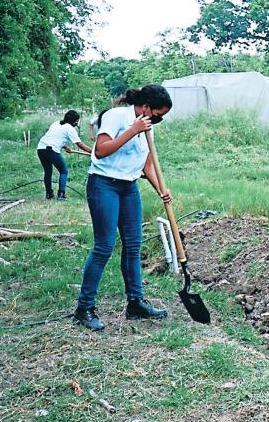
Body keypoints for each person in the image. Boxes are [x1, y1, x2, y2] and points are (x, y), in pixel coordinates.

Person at [73, 85, 174, 332]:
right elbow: (101, 150)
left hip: (129, 188)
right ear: (146, 107)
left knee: (133, 245)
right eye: (157, 115)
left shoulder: (146, 127)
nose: (158, 120)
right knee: (104, 246)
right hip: (103, 184)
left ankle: (135, 303)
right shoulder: (117, 116)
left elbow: (147, 164)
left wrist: (160, 187)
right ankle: (84, 308)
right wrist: (133, 130)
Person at [36, 110, 93, 201]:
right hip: (52, 150)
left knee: (48, 172)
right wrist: (92, 152)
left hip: (41, 148)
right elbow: (79, 144)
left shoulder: (56, 123)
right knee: (64, 170)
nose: (77, 123)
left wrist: (65, 146)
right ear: (74, 121)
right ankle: (61, 195)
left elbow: (54, 137)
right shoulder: (70, 129)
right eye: (77, 121)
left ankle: (49, 194)